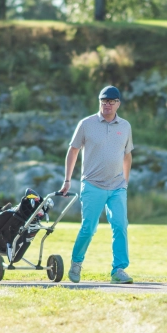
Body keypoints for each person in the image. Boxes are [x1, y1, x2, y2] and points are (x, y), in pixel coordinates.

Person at [59, 85, 134, 284]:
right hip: (92, 185)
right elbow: (73, 151)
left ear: (118, 103)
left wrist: (125, 182)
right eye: (103, 101)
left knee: (120, 226)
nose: (107, 105)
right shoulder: (86, 124)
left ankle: (118, 270)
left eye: (111, 101)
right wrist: (67, 180)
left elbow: (127, 155)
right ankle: (76, 263)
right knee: (89, 228)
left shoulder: (125, 126)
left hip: (117, 187)